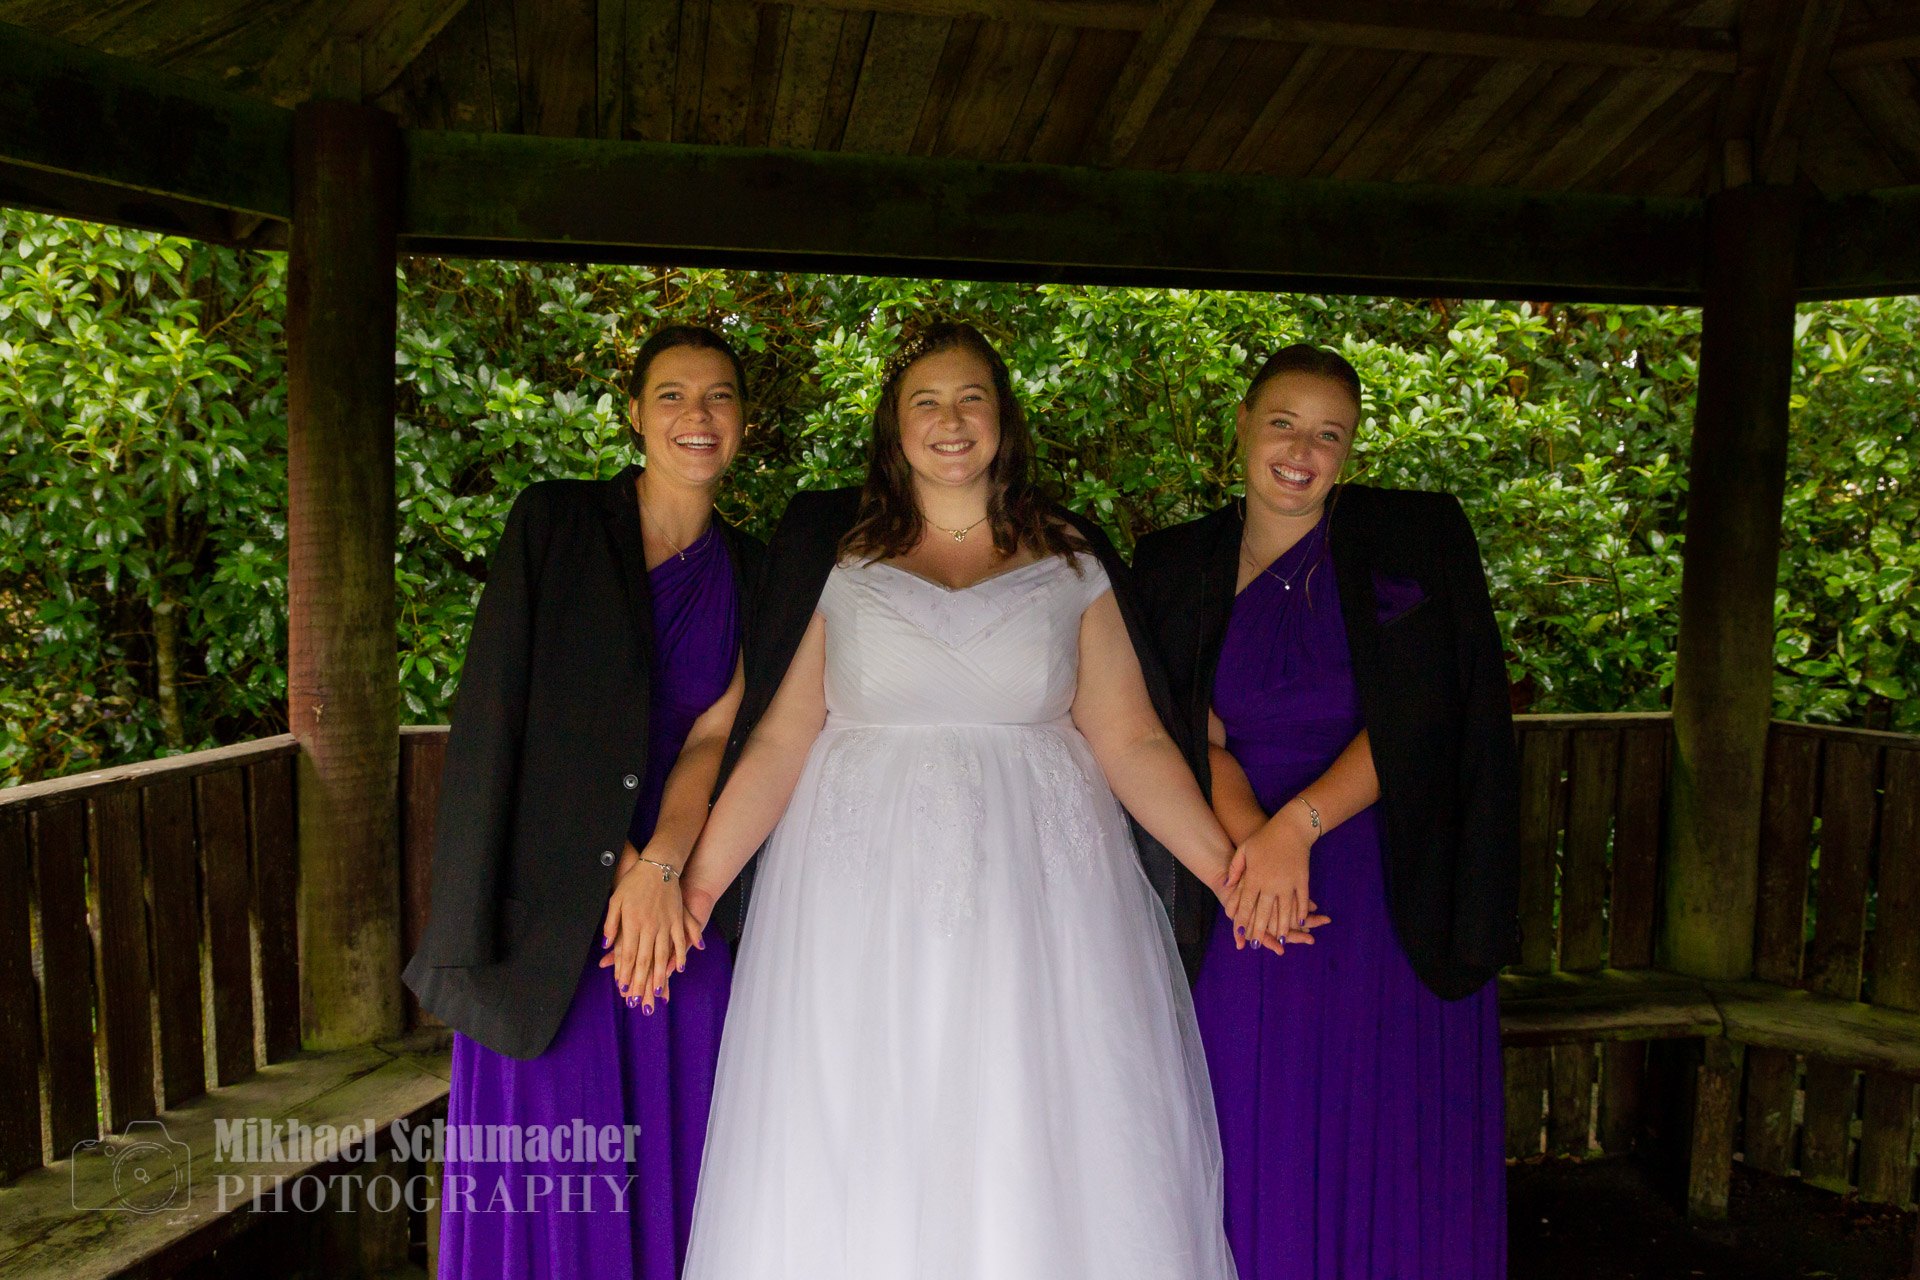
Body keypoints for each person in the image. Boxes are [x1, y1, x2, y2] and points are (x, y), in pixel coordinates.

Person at [639, 321, 1273, 1279]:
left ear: (1003, 419)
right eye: (925, 402)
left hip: (1041, 909)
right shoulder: (840, 557)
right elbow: (775, 740)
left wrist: (1229, 873)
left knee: (1034, 1122)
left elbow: (1133, 739)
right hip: (859, 909)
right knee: (867, 1125)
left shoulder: (1069, 557)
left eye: (971, 398)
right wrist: (694, 888)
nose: (950, 420)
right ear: (895, 428)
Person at [1132, 341, 1519, 1279]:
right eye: (1283, 424)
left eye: (1329, 434)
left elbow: (1428, 710)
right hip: (1247, 881)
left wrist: (1299, 828)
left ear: (1351, 449)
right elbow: (1187, 731)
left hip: (1389, 872)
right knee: (1253, 1105)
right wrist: (1256, 851)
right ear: (1242, 428)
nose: (1302, 451)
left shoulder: (1412, 537)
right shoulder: (1175, 562)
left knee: (1391, 1118)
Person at [402, 324, 763, 1279]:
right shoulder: (556, 524)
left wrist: (662, 870)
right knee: (557, 1185)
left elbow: (716, 736)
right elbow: (499, 713)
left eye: (718, 396)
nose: (696, 416)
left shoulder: (752, 571)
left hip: (676, 906)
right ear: (635, 413)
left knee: (688, 1158)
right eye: (672, 395)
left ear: (744, 421)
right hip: (549, 911)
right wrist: (600, 881)